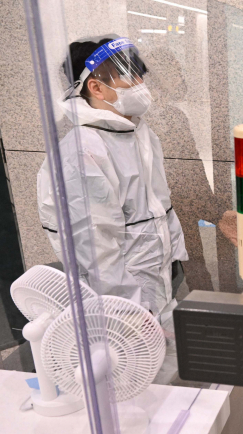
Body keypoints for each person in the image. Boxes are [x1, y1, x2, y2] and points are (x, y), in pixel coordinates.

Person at [37, 37, 188, 314]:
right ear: (96, 87)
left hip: (158, 281)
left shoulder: (140, 135)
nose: (142, 85)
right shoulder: (83, 153)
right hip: (122, 301)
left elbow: (156, 210)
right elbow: (96, 248)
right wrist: (129, 308)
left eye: (141, 76)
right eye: (131, 77)